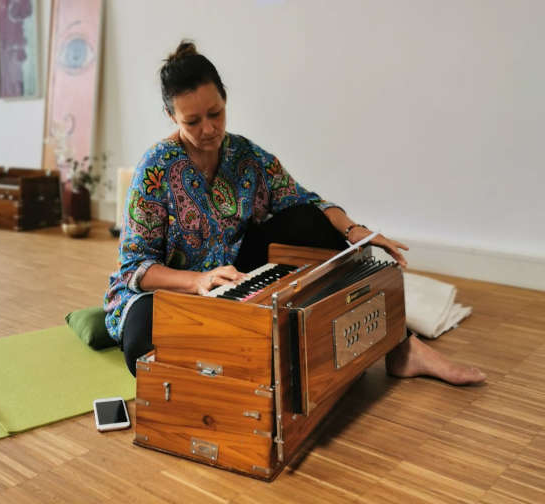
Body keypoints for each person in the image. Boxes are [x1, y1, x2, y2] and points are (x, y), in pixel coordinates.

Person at [103, 41, 486, 386]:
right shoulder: (155, 169)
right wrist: (199, 280)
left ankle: (402, 349)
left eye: (216, 113)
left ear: (225, 99)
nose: (209, 129)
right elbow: (136, 267)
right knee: (142, 345)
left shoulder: (245, 155)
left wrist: (356, 231)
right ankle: (238, 354)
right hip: (174, 289)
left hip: (234, 276)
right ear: (171, 116)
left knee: (309, 220)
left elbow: (305, 200)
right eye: (192, 121)